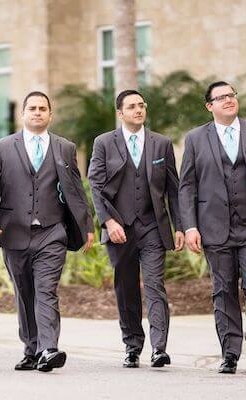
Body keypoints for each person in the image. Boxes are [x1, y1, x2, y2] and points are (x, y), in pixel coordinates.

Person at [178, 81, 246, 374]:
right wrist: (190, 226)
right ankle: (229, 352)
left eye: (232, 95)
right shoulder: (195, 139)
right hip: (214, 227)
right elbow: (186, 186)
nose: (229, 100)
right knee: (224, 290)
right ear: (209, 106)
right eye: (221, 97)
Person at [0, 91, 94, 372]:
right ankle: (31, 349)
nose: (37, 112)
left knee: (46, 290)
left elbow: (75, 190)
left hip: (52, 232)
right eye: (32, 108)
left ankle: (49, 348)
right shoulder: (2, 147)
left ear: (50, 115)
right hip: (14, 231)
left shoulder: (65, 147)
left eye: (43, 108)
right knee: (24, 293)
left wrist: (86, 225)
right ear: (23, 114)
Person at [87, 89, 184, 368]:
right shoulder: (104, 143)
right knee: (126, 288)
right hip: (120, 227)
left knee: (155, 285)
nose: (138, 110)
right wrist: (108, 221)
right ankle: (132, 346)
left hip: (153, 226)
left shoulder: (162, 144)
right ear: (120, 113)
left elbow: (173, 190)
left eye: (141, 105)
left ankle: (159, 348)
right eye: (131, 106)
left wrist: (180, 226)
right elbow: (96, 185)